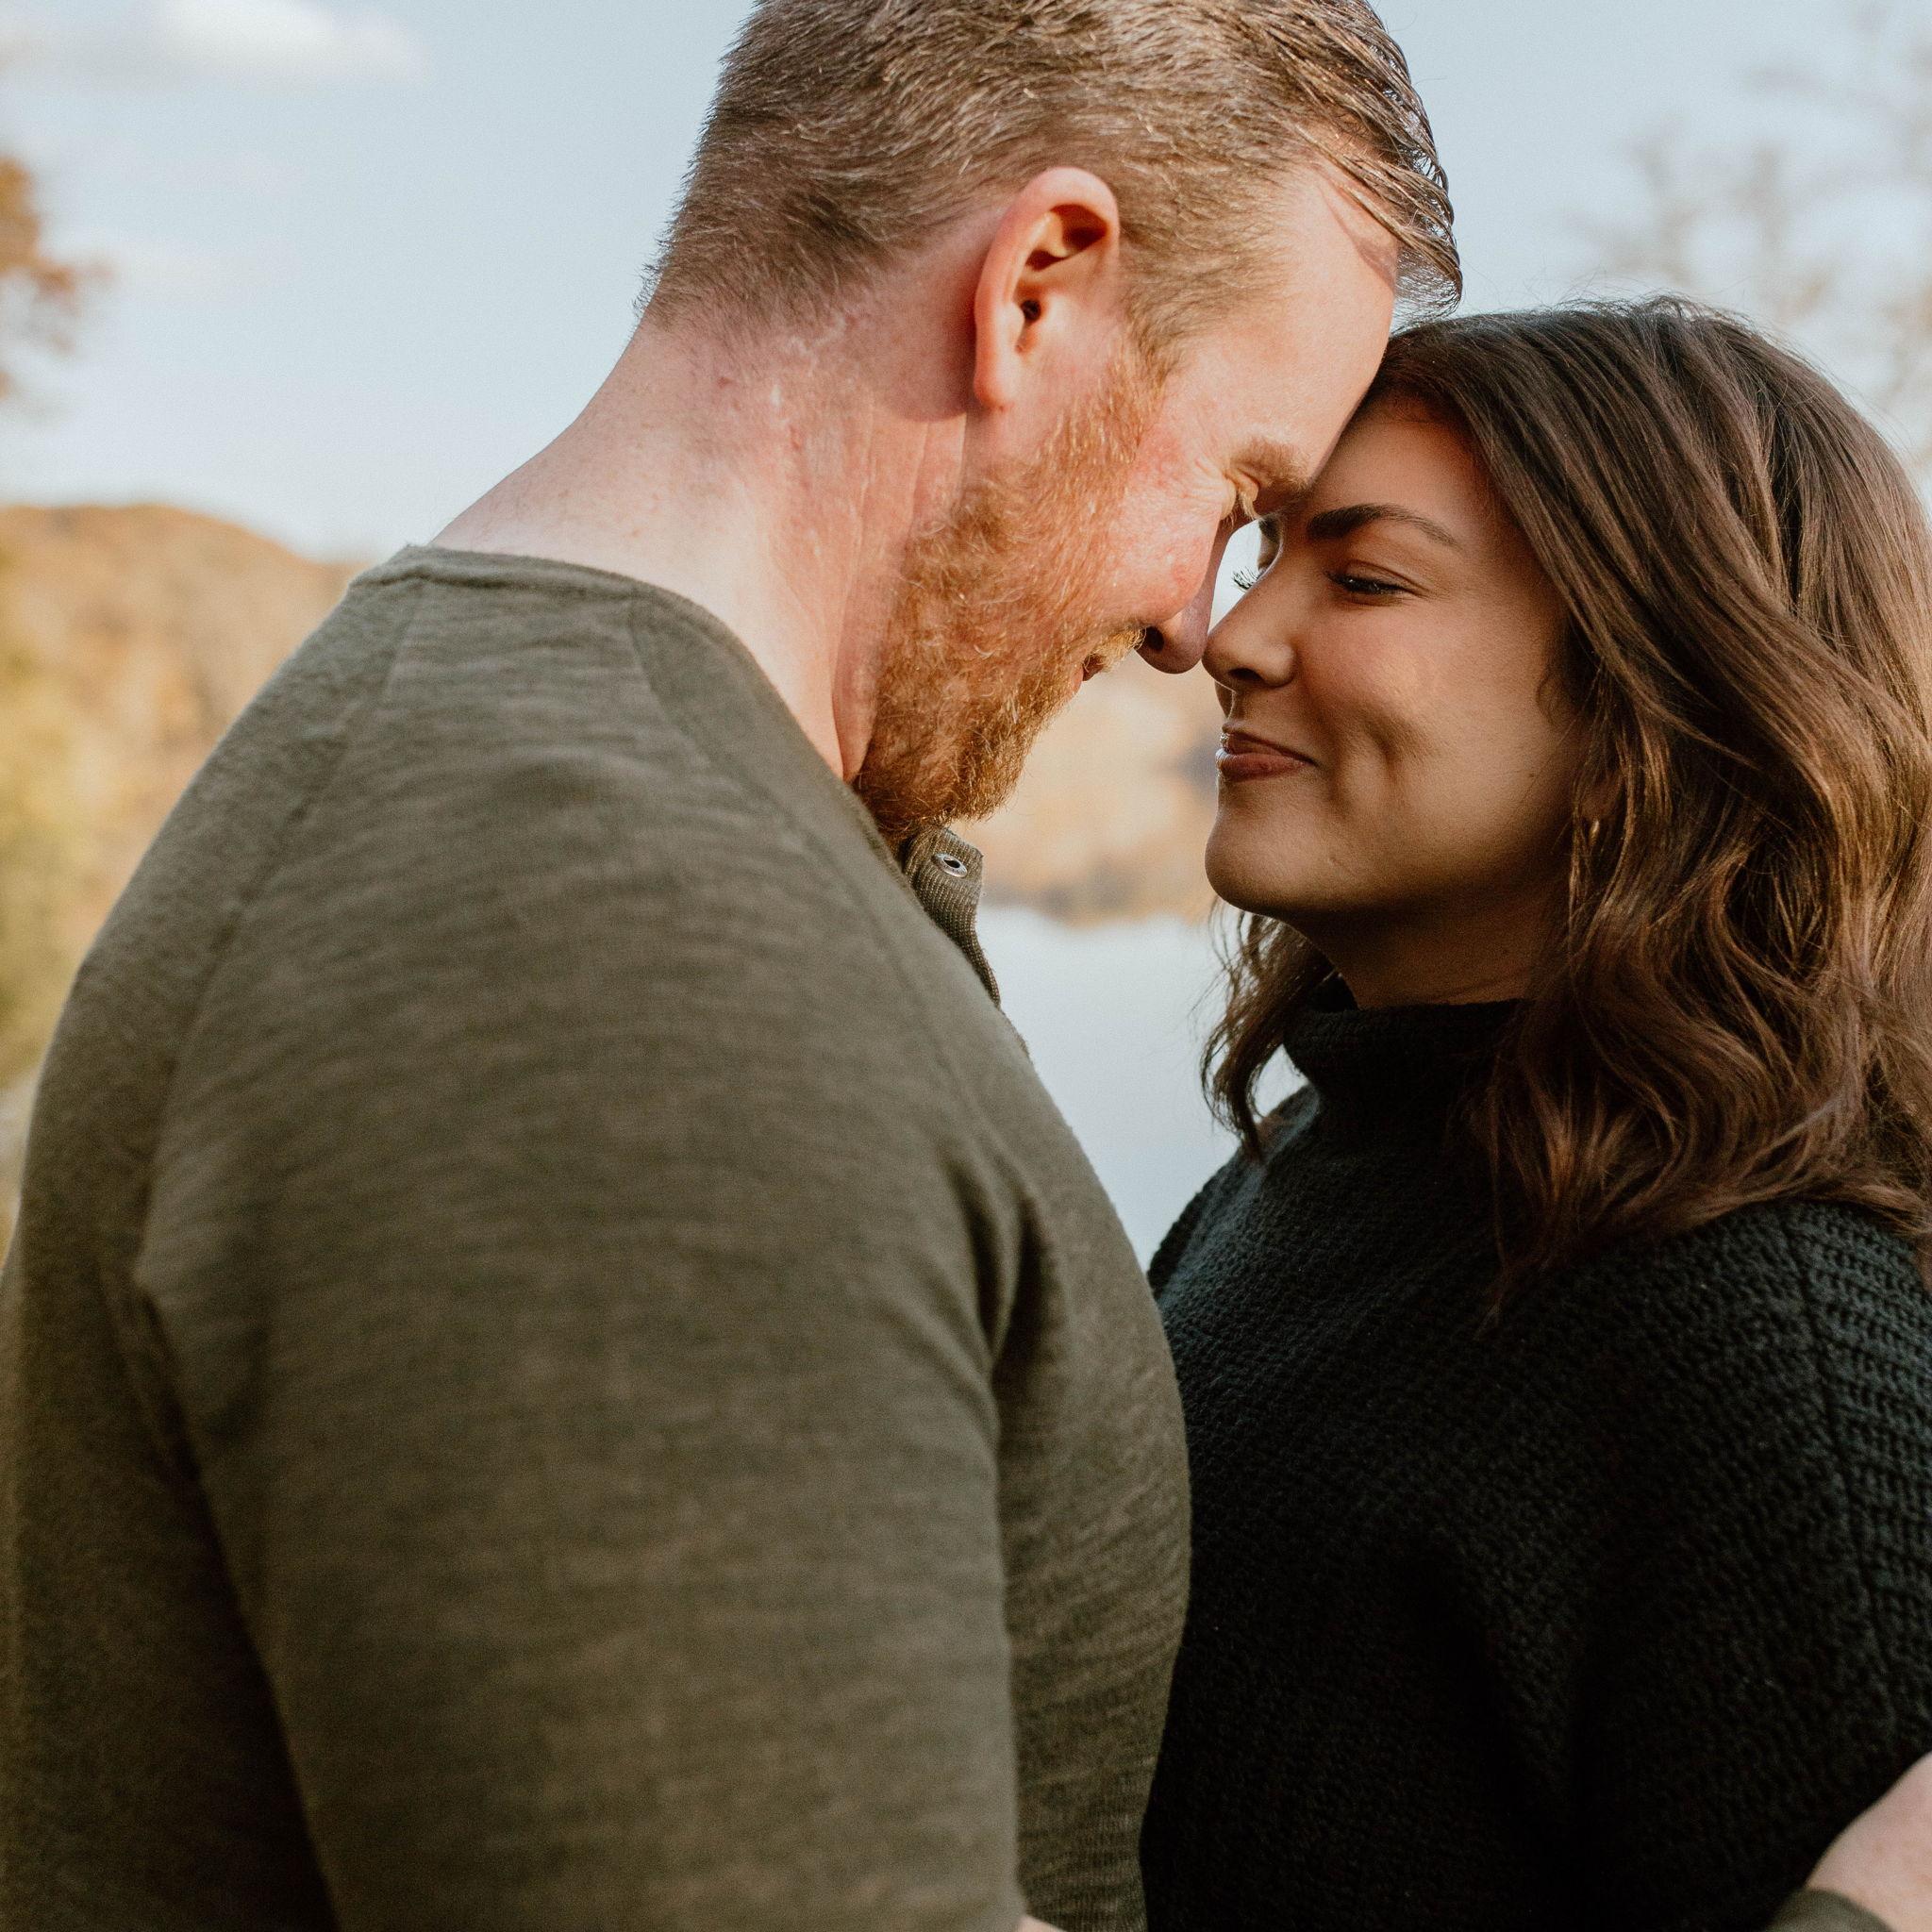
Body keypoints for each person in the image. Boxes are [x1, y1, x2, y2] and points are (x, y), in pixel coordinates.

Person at [0, 4, 1445, 1929]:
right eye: (1238, 494)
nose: (1196, 623)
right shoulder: (610, 963)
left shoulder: (583, 808)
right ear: (1036, 286)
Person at [1140, 299, 1932, 1932]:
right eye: (1267, 554)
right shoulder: (1307, 1178)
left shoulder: (1757, 1341)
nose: (1236, 635)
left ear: (1664, 692)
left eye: (1365, 577)